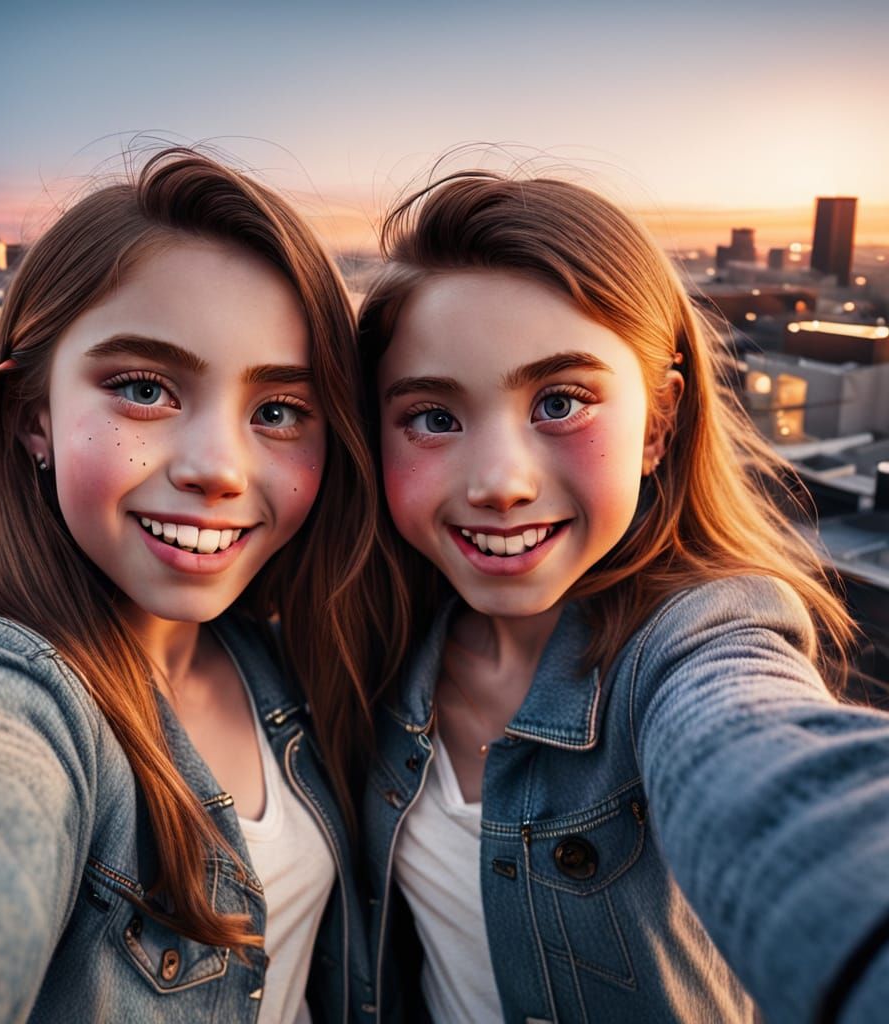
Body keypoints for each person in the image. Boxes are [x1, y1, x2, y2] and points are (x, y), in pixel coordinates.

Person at [357, 170, 889, 1024]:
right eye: (434, 417)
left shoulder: (698, 641)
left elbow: (773, 771)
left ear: (658, 425)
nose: (500, 484)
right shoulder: (371, 644)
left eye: (560, 402)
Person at [0, 149, 381, 1024]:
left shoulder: (284, 661)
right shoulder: (9, 698)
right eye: (145, 389)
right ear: (34, 418)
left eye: (278, 411)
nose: (219, 469)